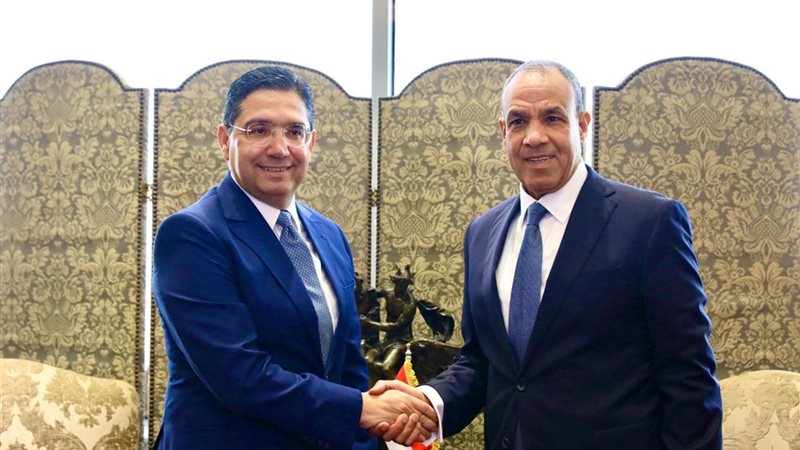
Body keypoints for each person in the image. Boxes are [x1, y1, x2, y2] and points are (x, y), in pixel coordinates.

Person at [371, 60, 723, 449]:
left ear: (582, 126)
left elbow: (688, 376)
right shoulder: (482, 234)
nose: (534, 137)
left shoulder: (648, 222)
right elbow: (482, 362)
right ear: (503, 132)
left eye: (552, 118)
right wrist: (429, 403)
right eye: (519, 121)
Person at [152, 66, 436, 449]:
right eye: (259, 130)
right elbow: (239, 375)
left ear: (311, 142)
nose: (279, 147)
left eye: (294, 131)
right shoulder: (192, 234)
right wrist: (361, 410)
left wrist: (379, 428)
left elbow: (348, 367)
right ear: (224, 139)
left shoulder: (329, 235)